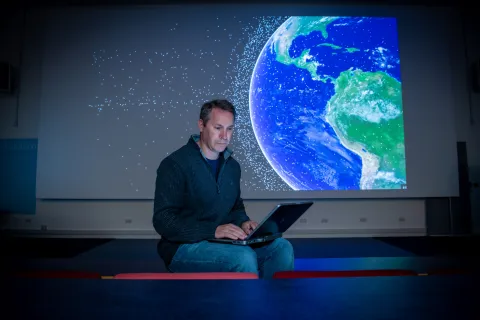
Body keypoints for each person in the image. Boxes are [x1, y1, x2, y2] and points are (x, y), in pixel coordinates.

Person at [152, 99, 294, 278]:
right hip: (182, 247)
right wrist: (213, 230)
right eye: (218, 128)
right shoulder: (174, 165)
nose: (224, 136)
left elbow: (235, 208)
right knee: (243, 257)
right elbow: (163, 221)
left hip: (221, 243)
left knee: (281, 247)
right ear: (201, 125)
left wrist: (244, 222)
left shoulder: (232, 166)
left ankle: (277, 304)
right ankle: (248, 306)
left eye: (230, 129)